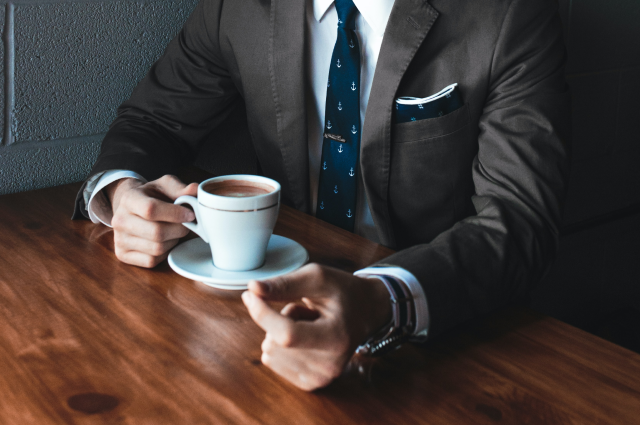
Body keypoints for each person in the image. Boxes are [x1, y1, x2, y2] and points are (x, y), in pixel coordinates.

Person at [73, 0, 571, 391]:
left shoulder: (510, 14)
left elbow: (520, 219)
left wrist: (383, 299)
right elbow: (153, 120)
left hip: (439, 338)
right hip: (258, 318)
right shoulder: (236, 6)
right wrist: (119, 192)